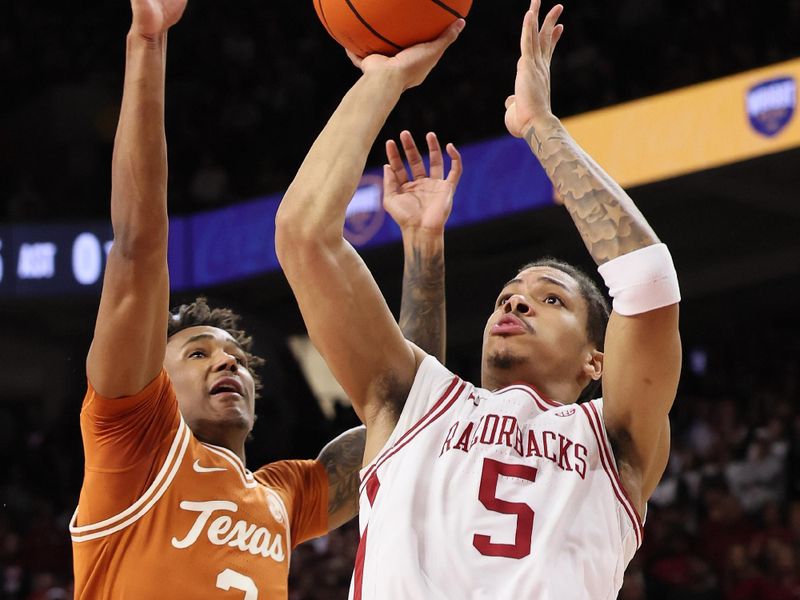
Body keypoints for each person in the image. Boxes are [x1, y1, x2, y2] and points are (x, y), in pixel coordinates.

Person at [275, 0, 681, 597]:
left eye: (551, 300)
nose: (516, 304)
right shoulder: (416, 401)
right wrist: (384, 81)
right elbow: (304, 237)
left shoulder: (615, 440)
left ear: (597, 360)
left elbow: (647, 283)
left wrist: (542, 129)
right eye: (509, 295)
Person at [68, 0, 453, 598]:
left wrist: (423, 246)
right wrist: (147, 42)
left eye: (238, 359)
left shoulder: (284, 496)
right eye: (198, 354)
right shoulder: (132, 450)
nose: (229, 363)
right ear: (154, 382)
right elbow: (140, 247)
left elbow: (408, 402)